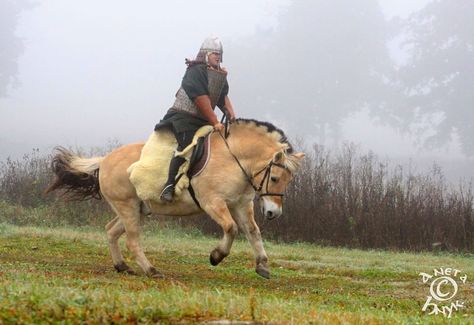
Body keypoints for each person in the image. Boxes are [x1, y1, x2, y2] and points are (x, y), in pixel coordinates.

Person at [155, 36, 236, 202]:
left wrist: (231, 115)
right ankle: (169, 185)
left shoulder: (219, 74)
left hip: (203, 118)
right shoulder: (195, 71)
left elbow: (222, 97)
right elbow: (201, 99)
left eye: (220, 54)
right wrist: (215, 122)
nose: (218, 57)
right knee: (186, 145)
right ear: (205, 54)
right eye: (215, 53)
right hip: (183, 117)